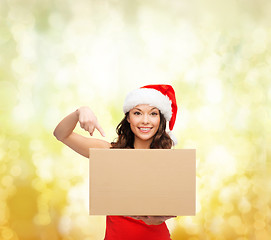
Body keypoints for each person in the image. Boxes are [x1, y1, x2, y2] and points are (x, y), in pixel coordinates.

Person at [53, 84, 178, 240]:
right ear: (128, 117)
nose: (145, 120)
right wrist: (80, 112)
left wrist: (155, 216)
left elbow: (167, 212)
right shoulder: (109, 153)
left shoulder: (167, 160)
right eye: (137, 113)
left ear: (160, 120)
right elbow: (60, 134)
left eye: (153, 114)